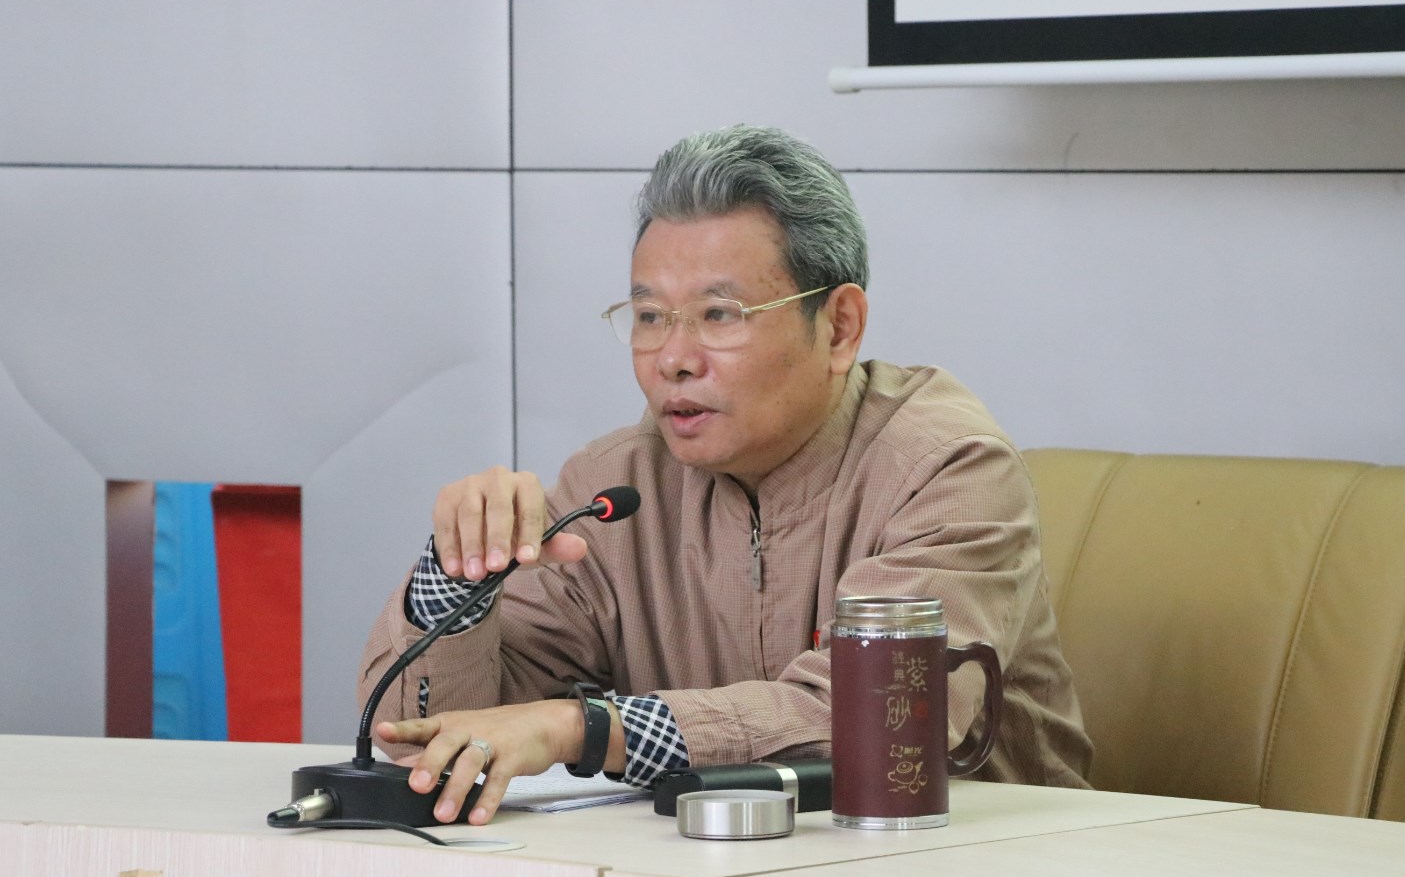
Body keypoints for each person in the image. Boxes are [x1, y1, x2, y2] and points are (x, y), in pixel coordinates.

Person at [359, 124, 1092, 826]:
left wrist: (585, 729)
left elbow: (880, 720)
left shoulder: (947, 468)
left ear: (839, 327)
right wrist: (457, 579)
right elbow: (421, 742)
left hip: (972, 869)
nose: (673, 358)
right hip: (710, 875)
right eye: (650, 316)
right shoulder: (615, 491)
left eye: (719, 314)